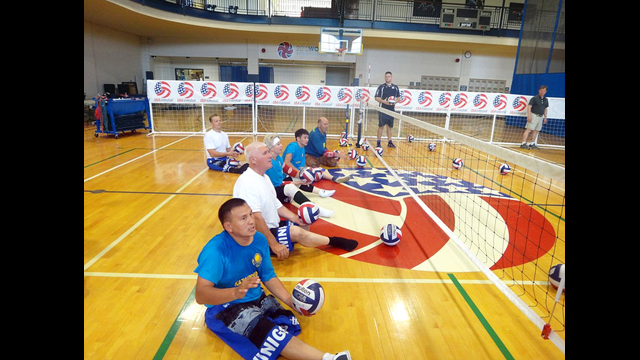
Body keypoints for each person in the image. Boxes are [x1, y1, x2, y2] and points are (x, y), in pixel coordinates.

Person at [194, 198, 353, 360]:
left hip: (255, 297)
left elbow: (268, 275)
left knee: (286, 324)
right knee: (272, 336)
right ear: (228, 226)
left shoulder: (259, 239)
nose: (251, 221)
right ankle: (330, 358)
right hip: (224, 306)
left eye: (251, 214)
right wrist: (235, 293)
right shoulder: (215, 251)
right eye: (243, 218)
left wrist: (290, 300)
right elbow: (201, 295)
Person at [233, 141, 359, 260]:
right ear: (253, 160)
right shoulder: (247, 182)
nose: (270, 156)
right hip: (255, 235)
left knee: (304, 223)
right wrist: (274, 244)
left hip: (271, 225)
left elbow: (277, 205)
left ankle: (291, 239)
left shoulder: (264, 177)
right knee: (297, 232)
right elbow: (256, 218)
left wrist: (295, 218)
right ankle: (334, 241)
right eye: (265, 153)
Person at [262, 133, 335, 218]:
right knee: (290, 187)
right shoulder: (270, 163)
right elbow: (276, 184)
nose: (281, 146)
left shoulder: (278, 158)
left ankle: (321, 192)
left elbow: (289, 171)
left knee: (296, 179)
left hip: (279, 185)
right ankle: (316, 209)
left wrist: (303, 177)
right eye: (278, 144)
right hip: (272, 192)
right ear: (271, 147)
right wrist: (295, 182)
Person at [284, 128, 350, 184]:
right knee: (312, 174)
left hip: (297, 172)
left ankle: (335, 178)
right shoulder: (293, 146)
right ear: (298, 139)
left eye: (307, 138)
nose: (307, 140)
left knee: (319, 170)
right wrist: (299, 172)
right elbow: (286, 163)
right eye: (305, 138)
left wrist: (305, 171)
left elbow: (301, 166)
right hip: (288, 173)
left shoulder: (302, 148)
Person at [305, 118, 353, 183]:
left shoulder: (323, 133)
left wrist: (335, 154)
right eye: (325, 124)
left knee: (333, 161)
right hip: (310, 156)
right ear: (319, 124)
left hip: (319, 155)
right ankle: (333, 178)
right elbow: (322, 151)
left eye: (327, 124)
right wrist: (337, 154)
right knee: (315, 170)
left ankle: (324, 164)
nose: (327, 126)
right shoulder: (315, 135)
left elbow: (324, 148)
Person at [374, 71, 401, 149]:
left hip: (391, 110)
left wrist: (395, 102)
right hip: (383, 109)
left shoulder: (395, 87)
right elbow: (376, 97)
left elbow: (399, 97)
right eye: (386, 76)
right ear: (384, 77)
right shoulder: (381, 87)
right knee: (381, 126)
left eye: (389, 76)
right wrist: (384, 101)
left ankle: (390, 142)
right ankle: (378, 142)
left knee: (389, 127)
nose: (387, 78)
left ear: (391, 77)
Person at [520, 85, 549, 150]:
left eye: (544, 91)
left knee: (536, 130)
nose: (543, 92)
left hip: (540, 116)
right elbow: (529, 107)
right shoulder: (534, 98)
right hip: (534, 115)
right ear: (539, 90)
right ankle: (523, 143)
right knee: (529, 129)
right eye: (541, 90)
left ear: (546, 91)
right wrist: (529, 116)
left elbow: (545, 109)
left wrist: (545, 117)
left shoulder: (546, 100)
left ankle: (532, 143)